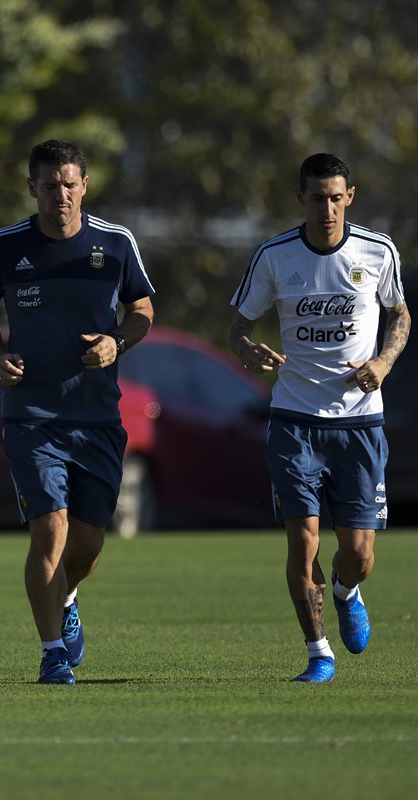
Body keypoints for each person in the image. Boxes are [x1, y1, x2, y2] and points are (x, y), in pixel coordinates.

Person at [0, 139, 154, 685]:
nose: (61, 195)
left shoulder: (115, 245)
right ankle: (52, 654)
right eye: (49, 186)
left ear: (84, 186)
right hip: (31, 416)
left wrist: (117, 342)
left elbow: (141, 310)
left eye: (69, 184)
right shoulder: (5, 247)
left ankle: (66, 597)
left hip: (96, 416)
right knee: (49, 531)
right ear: (33, 189)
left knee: (89, 544)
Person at [229, 153, 409, 683]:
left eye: (336, 197)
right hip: (294, 420)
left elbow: (399, 314)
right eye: (316, 197)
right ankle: (318, 651)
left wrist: (383, 362)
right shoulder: (274, 255)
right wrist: (248, 350)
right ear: (299, 198)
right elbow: (238, 326)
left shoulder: (377, 251)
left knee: (357, 553)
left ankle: (346, 589)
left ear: (350, 196)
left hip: (358, 423)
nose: (326, 208)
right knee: (302, 539)